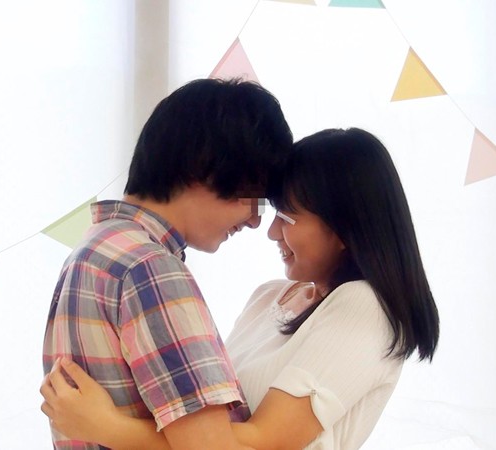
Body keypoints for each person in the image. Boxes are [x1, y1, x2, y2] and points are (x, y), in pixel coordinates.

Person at [40, 127, 441, 449]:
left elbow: (260, 443)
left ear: (344, 226)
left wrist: (108, 426)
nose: (271, 231)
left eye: (288, 217)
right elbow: (204, 431)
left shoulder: (365, 307)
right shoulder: (267, 298)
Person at [42, 78, 293, 450]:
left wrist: (107, 426)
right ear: (202, 167)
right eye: (254, 196)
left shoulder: (94, 249)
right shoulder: (150, 269)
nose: (256, 221)